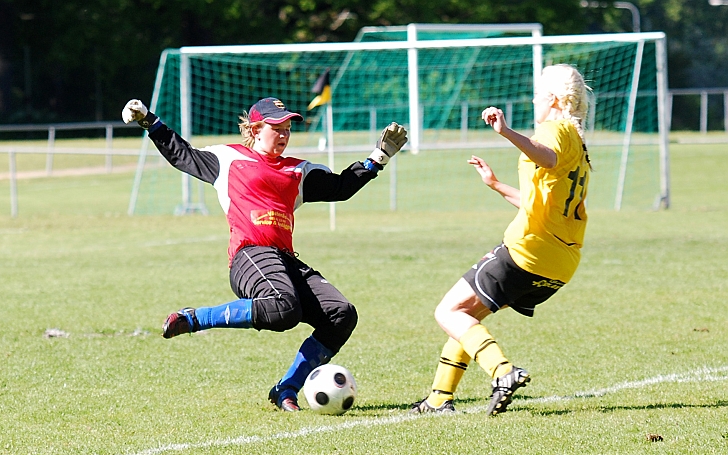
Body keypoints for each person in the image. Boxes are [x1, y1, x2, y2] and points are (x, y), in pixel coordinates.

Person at [122, 96, 407, 412]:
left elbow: (340, 187)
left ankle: (286, 389)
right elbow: (182, 154)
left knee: (341, 315)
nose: (284, 134)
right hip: (249, 255)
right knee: (283, 307)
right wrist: (148, 120)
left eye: (288, 128)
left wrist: (379, 157)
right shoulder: (228, 159)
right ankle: (194, 318)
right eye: (277, 127)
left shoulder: (298, 170)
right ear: (256, 129)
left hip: (284, 259)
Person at [410, 64, 592, 417]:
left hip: (529, 248)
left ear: (554, 99)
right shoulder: (578, 143)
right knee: (466, 317)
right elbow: (539, 204)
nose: (534, 101)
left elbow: (547, 156)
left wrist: (507, 132)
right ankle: (438, 399)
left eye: (538, 95)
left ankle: (502, 371)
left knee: (448, 312)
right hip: (561, 262)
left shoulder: (554, 130)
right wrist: (495, 185)